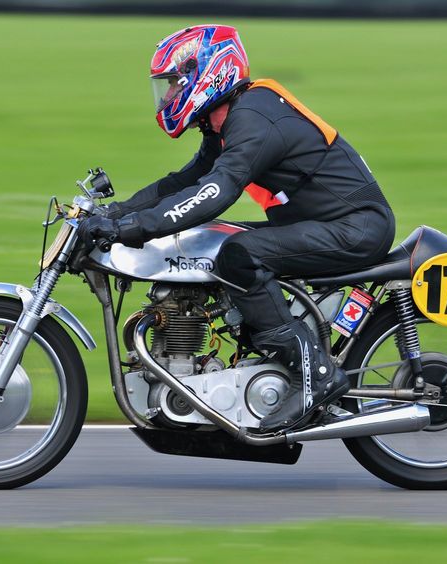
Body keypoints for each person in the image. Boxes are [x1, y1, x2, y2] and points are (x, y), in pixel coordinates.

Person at [79, 24, 396, 430]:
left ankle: (314, 374)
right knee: (208, 241)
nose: (168, 95)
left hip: (354, 227)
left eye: (174, 83)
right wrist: (116, 213)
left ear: (207, 74)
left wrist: (134, 228)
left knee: (239, 255)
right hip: (323, 223)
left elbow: (216, 191)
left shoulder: (254, 117)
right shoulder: (227, 120)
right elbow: (184, 182)